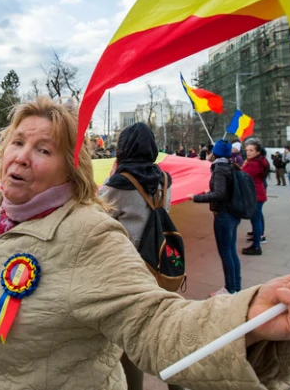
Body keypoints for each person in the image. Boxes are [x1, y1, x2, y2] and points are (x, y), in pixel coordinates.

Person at [0, 97, 290, 390]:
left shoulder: (87, 234)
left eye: (43, 150)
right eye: (18, 142)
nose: (21, 155)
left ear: (70, 170)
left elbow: (156, 325)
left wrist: (246, 319)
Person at [98, 123, 182, 390]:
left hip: (128, 267)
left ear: (124, 148)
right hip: (158, 261)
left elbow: (98, 215)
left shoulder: (119, 184)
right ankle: (177, 382)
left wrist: (109, 179)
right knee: (161, 330)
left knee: (130, 334)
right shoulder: (164, 179)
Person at [190, 139, 242, 295]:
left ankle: (230, 289)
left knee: (226, 252)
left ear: (215, 153)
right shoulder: (231, 166)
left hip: (223, 215)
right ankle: (236, 286)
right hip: (232, 213)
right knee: (231, 251)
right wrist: (210, 192)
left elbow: (219, 194)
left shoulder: (219, 169)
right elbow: (224, 191)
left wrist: (196, 198)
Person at [242, 139, 270, 255]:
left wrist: (243, 166)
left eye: (251, 150)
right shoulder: (259, 160)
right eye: (247, 150)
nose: (248, 153)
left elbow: (242, 176)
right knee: (257, 219)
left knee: (255, 220)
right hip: (257, 193)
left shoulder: (254, 164)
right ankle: (257, 238)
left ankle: (256, 246)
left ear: (258, 152)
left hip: (255, 195)